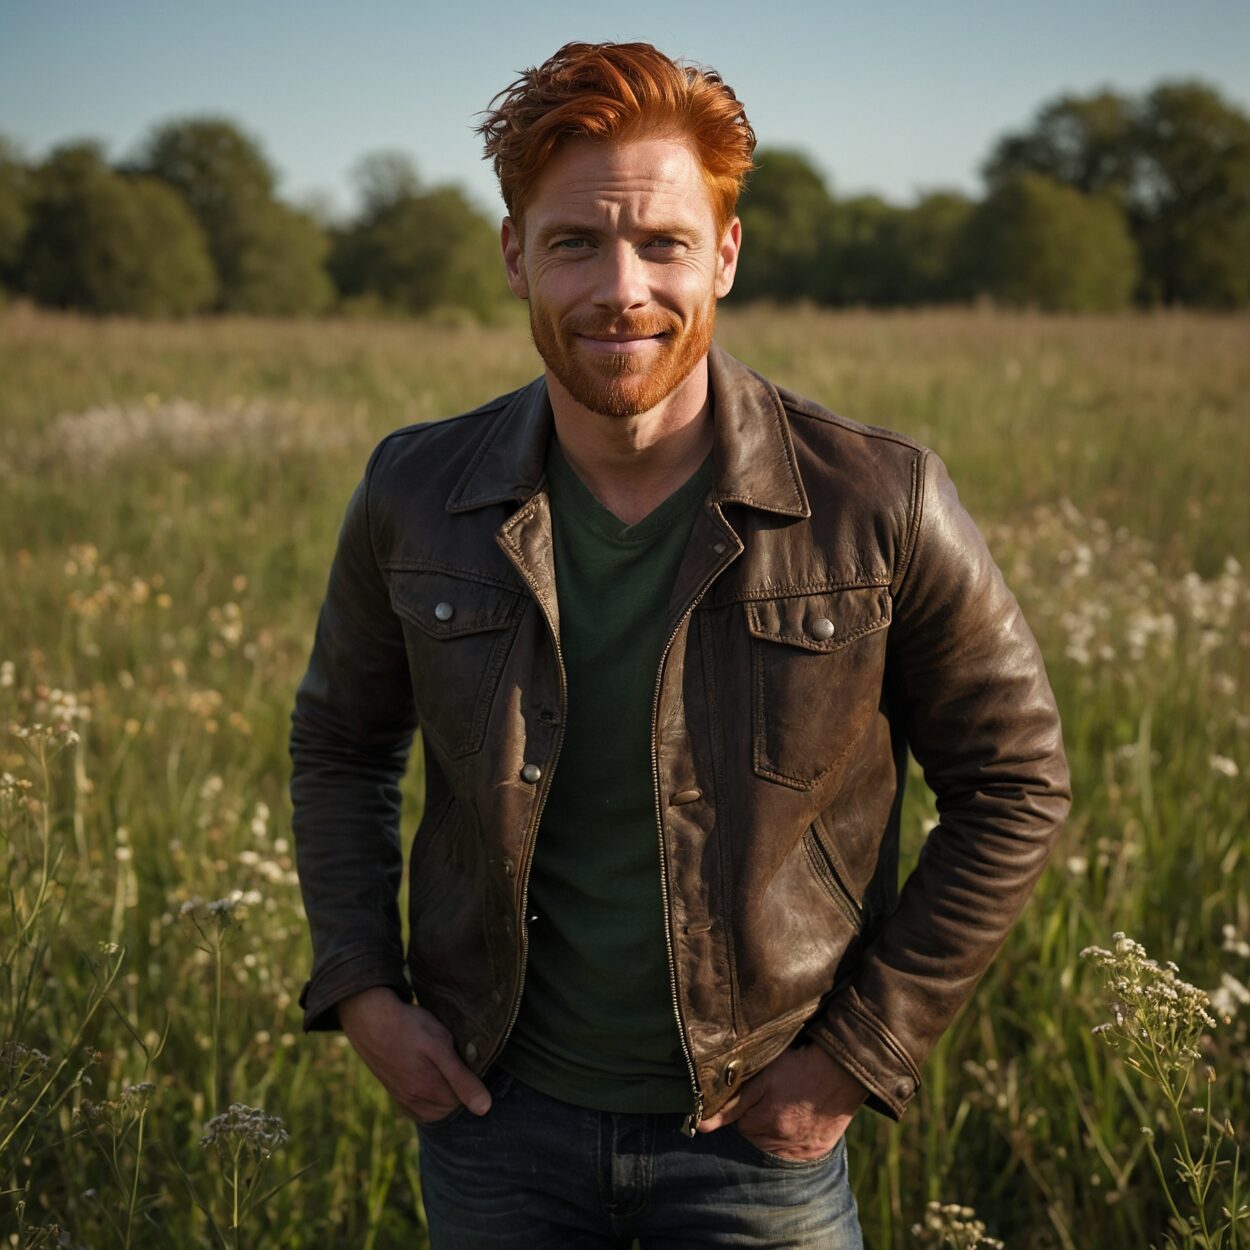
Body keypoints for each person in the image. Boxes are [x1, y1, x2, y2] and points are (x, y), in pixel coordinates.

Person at [290, 40, 1070, 1249]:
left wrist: (856, 1054)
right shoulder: (415, 486)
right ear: (514, 257)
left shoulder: (881, 498)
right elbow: (339, 743)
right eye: (572, 243)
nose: (619, 288)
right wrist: (361, 991)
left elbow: (1015, 779)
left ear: (724, 251)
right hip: (495, 1124)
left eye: (659, 242)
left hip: (756, 1140)